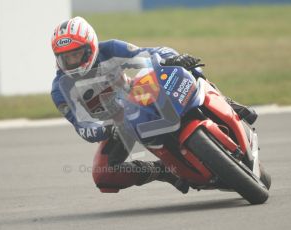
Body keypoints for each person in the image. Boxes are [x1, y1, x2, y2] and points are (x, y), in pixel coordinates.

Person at [50, 16, 257, 194]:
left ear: (91, 47)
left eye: (77, 54)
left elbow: (147, 54)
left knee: (185, 67)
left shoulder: (110, 49)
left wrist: (171, 58)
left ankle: (226, 102)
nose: (73, 62)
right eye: (66, 58)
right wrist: (105, 130)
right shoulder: (60, 90)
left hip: (136, 95)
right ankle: (163, 170)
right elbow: (82, 126)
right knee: (103, 174)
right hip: (115, 126)